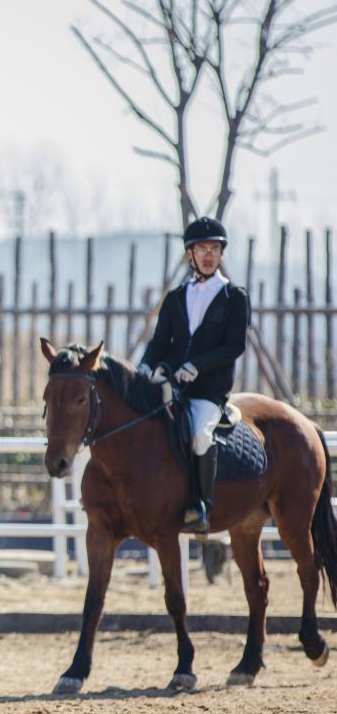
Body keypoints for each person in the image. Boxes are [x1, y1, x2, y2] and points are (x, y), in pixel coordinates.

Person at [139, 217, 250, 534]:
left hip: (208, 392)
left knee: (200, 434)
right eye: (202, 249)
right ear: (190, 254)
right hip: (173, 388)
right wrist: (147, 366)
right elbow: (160, 342)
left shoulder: (233, 297)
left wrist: (197, 365)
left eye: (214, 249)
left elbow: (234, 346)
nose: (208, 255)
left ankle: (201, 505)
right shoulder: (176, 297)